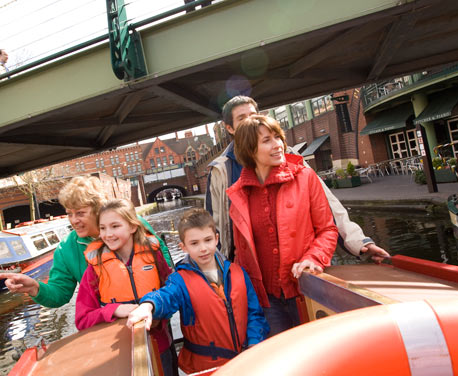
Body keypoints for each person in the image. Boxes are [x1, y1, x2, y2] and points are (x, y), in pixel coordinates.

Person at [206, 95, 390, 263]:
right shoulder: (222, 170)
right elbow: (215, 227)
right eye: (242, 118)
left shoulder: (289, 157)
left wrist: (359, 243)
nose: (251, 121)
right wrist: (222, 274)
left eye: (253, 115)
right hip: (250, 272)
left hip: (300, 264)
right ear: (229, 128)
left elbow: (327, 206)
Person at [227, 114, 338, 336]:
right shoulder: (239, 192)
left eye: (277, 137)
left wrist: (312, 258)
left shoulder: (305, 177)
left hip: (304, 290)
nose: (278, 144)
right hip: (267, 300)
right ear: (250, 150)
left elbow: (327, 229)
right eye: (267, 140)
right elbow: (242, 253)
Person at [127, 208, 268, 374]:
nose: (203, 248)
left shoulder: (238, 273)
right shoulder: (179, 281)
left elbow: (254, 314)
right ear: (183, 247)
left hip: (245, 360)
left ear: (216, 239)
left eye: (207, 240)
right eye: (194, 243)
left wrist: (253, 344)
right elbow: (166, 296)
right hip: (208, 367)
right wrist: (148, 305)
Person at [0, 176, 173, 309]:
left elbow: (165, 264)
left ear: (97, 210)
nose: (73, 220)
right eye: (69, 213)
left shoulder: (133, 224)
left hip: (154, 313)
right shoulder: (67, 249)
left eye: (80, 213)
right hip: (108, 322)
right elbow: (59, 294)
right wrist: (35, 288)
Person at [75, 199, 174, 374]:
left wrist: (157, 310)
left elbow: (172, 294)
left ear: (133, 227)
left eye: (115, 226)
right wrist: (115, 310)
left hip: (160, 346)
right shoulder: (95, 268)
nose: (108, 234)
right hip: (120, 355)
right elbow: (82, 319)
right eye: (103, 228)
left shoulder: (153, 255)